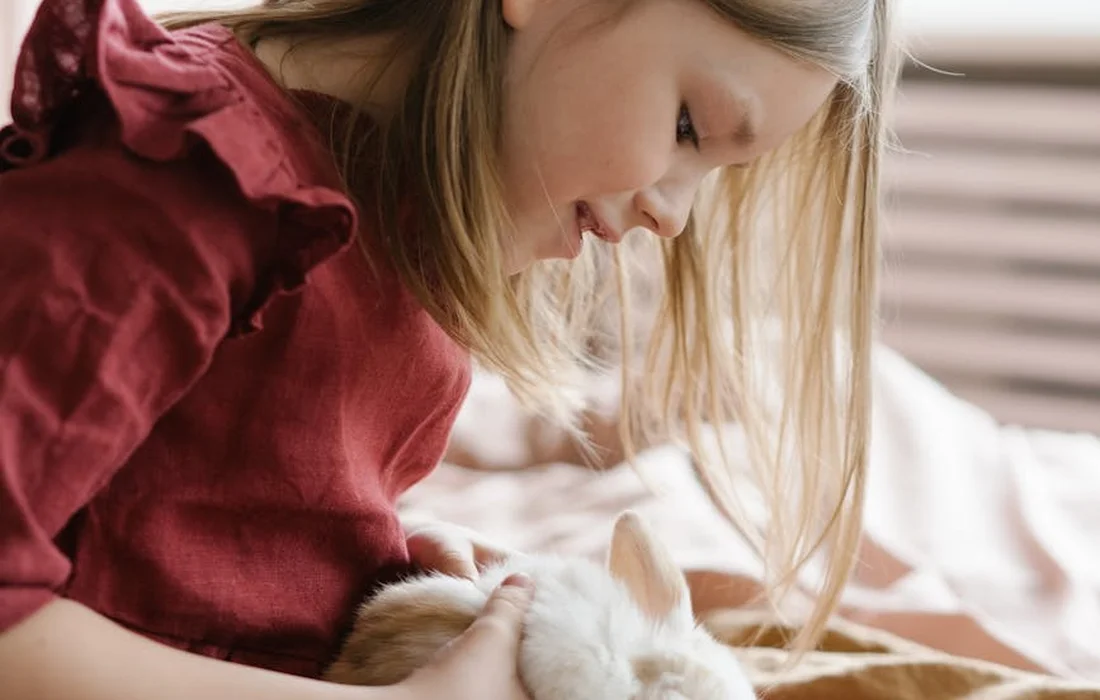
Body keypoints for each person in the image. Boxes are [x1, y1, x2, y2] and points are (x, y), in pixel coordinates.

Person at [0, 0, 898, 696]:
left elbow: (214, 511)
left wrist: (375, 565)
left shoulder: (404, 239)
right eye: (689, 129)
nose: (673, 215)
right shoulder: (178, 187)